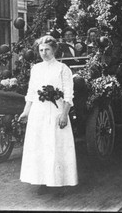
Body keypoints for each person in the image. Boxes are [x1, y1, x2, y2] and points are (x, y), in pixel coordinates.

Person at [19, 35, 78, 193]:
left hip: (56, 110)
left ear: (54, 50)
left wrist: (65, 114)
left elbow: (68, 94)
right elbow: (31, 92)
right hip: (39, 112)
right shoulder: (36, 68)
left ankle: (59, 182)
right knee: (40, 146)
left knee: (55, 145)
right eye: (41, 50)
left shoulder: (62, 68)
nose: (44, 53)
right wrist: (26, 111)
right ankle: (43, 181)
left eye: (47, 50)